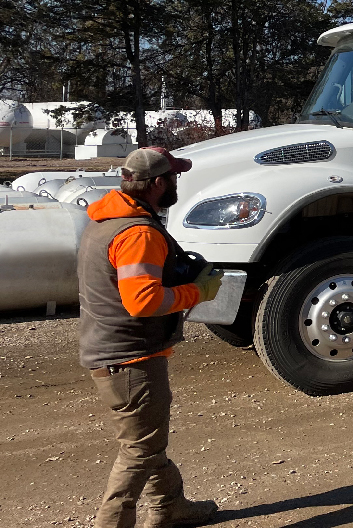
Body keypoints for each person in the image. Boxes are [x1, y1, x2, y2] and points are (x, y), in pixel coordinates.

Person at [78, 147, 224, 528]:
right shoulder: (137, 233)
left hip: (112, 353)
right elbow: (143, 301)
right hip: (130, 360)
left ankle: (169, 508)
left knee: (148, 442)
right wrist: (200, 293)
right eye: (174, 177)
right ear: (158, 183)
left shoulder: (106, 221)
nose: (177, 183)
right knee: (139, 452)